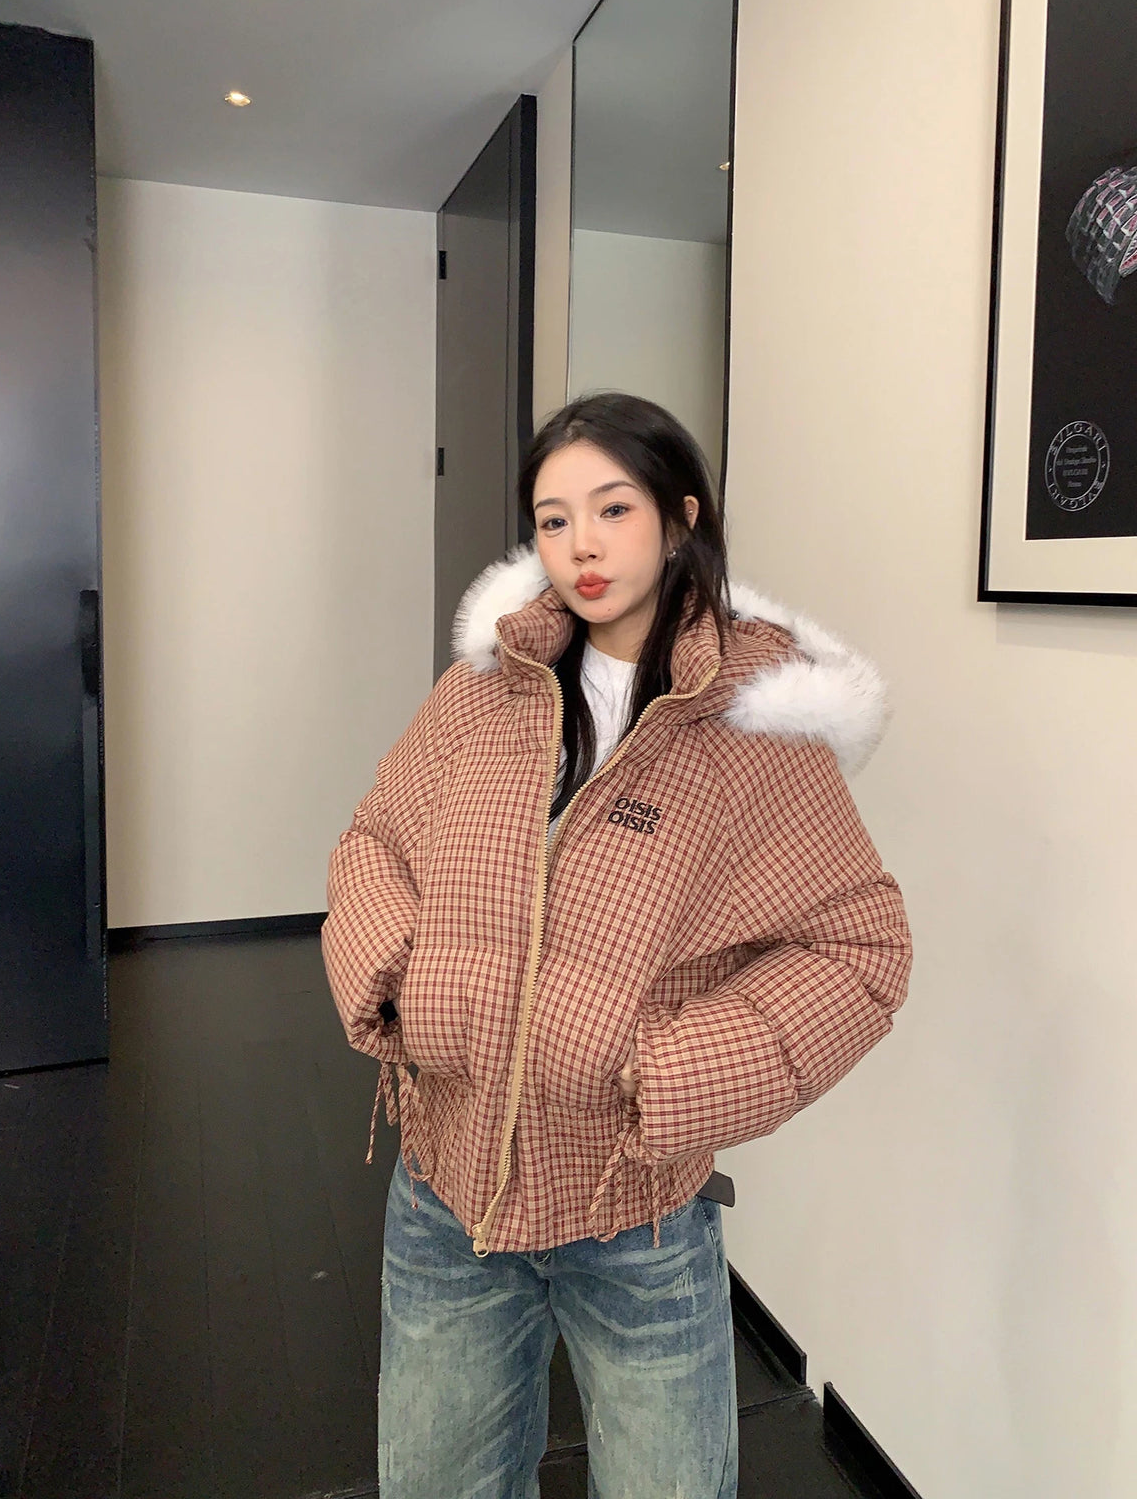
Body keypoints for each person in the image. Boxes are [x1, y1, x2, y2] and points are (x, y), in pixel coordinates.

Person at [321, 391, 913, 1499]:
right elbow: (374, 842)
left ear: (680, 518)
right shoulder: (482, 692)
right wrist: (403, 982)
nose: (581, 546)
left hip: (635, 1222)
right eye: (553, 520)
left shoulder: (752, 728)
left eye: (613, 508)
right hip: (445, 1202)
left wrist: (668, 1069)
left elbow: (859, 947)